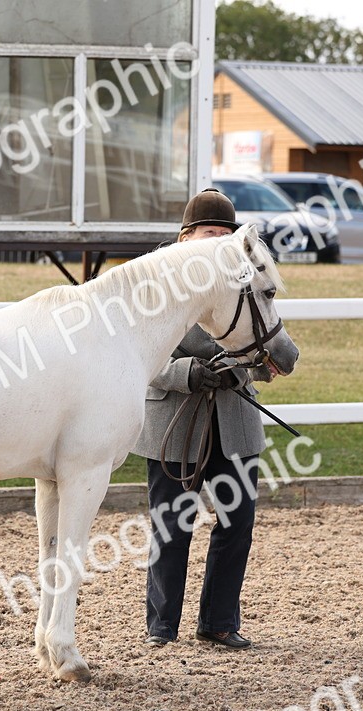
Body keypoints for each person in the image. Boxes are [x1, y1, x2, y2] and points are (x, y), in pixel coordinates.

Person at [131, 189, 266, 650]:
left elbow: (262, 342)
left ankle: (219, 622)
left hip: (234, 420)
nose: (219, 243)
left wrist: (252, 366)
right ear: (186, 237)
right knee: (171, 525)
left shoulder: (244, 282)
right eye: (211, 234)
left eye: (226, 235)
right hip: (175, 423)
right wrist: (188, 372)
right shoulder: (153, 287)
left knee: (237, 524)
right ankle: (161, 625)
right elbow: (139, 359)